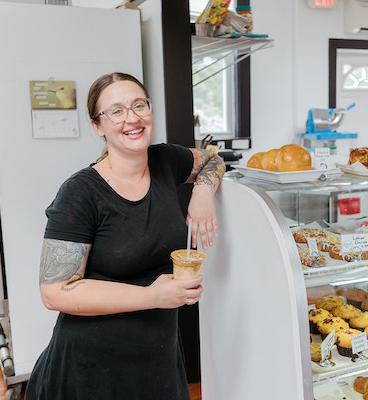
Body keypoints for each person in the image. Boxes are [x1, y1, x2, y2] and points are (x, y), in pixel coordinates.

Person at [25, 72, 225, 400]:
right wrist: (152, 296)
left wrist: (202, 194)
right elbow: (55, 292)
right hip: (90, 368)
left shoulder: (165, 161)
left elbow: (213, 160)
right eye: (116, 111)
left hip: (157, 360)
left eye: (139, 105)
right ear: (97, 126)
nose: (132, 118)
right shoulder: (80, 193)